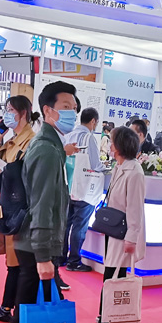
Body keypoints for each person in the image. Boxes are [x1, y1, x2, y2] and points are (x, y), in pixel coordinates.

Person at [0, 80, 74, 323]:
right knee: (27, 311)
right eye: (66, 107)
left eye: (74, 107)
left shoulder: (51, 145)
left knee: (30, 308)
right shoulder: (45, 149)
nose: (72, 113)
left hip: (35, 241)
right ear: (48, 109)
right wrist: (44, 256)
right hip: (34, 245)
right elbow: (42, 205)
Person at [0, 95, 38, 322]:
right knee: (14, 262)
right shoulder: (14, 140)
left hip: (21, 212)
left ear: (23, 113)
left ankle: (9, 309)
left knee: (17, 264)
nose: (7, 114)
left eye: (11, 110)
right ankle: (10, 309)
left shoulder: (31, 142)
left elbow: (15, 175)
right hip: (9, 208)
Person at [90, 126, 146, 323]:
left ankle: (110, 318)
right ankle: (109, 314)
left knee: (114, 273)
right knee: (112, 271)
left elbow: (135, 208)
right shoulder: (120, 166)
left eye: (112, 141)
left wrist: (132, 237)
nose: (109, 145)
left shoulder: (135, 172)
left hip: (124, 231)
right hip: (114, 228)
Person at [62, 107, 105, 273]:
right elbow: (95, 164)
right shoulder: (88, 137)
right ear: (93, 121)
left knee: (66, 224)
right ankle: (74, 261)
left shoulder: (68, 135)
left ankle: (60, 257)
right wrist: (105, 168)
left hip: (68, 185)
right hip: (85, 189)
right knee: (79, 226)